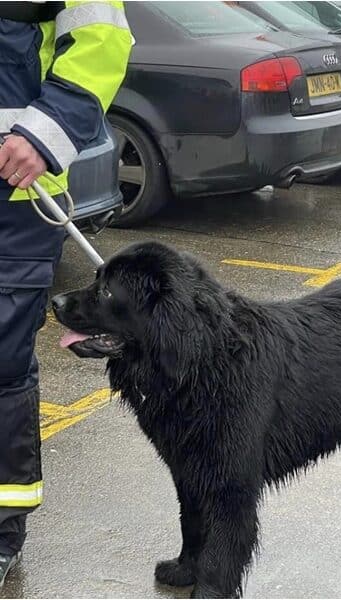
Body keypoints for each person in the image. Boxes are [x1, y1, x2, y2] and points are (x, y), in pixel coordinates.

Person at [0, 1, 132, 586]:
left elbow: (103, 40)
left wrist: (43, 135)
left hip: (15, 194)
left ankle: (2, 532)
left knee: (2, 366)